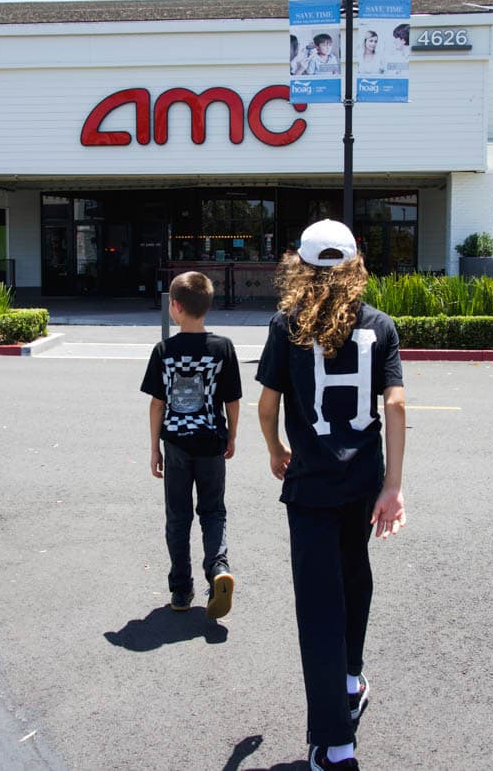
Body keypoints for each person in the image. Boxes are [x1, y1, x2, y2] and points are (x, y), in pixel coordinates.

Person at [256, 219, 406, 771]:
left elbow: (267, 405)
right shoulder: (381, 327)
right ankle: (350, 678)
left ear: (301, 265)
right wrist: (393, 486)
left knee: (319, 606)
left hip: (311, 485)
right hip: (363, 482)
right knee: (354, 575)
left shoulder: (285, 325)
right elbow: (395, 405)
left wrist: (274, 448)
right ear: (355, 264)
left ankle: (334, 744)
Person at [141, 271, 242, 618]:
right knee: (213, 511)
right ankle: (218, 570)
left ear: (177, 307)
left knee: (178, 516)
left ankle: (181, 591)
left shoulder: (164, 350)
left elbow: (157, 403)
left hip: (177, 444)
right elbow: (232, 400)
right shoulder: (223, 348)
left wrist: (154, 447)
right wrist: (232, 435)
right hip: (212, 440)